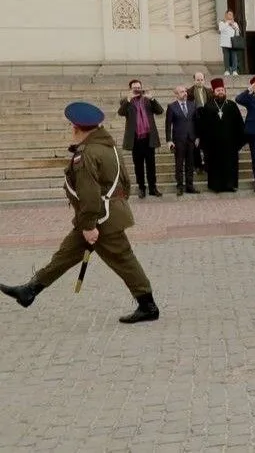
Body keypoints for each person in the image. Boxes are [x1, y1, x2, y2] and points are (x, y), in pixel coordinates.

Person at [1, 102, 160, 324]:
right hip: (103, 215)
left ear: (76, 128)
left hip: (98, 219)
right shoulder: (109, 146)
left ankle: (148, 305)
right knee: (66, 254)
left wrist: (89, 226)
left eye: (71, 128)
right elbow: (125, 182)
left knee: (123, 259)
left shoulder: (86, 154)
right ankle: (30, 290)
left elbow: (89, 193)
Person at [118, 78, 164, 198]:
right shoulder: (125, 101)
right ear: (130, 89)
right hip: (136, 139)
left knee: (151, 165)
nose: (137, 90)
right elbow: (121, 113)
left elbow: (160, 111)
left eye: (139, 87)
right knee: (138, 166)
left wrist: (152, 99)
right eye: (135, 88)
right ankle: (141, 188)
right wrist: (128, 99)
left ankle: (153, 188)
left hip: (149, 138)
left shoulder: (148, 100)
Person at [196, 78, 244, 192]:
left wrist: (240, 140)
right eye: (218, 90)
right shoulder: (208, 107)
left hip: (230, 144)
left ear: (225, 91)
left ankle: (230, 185)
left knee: (230, 164)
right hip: (214, 145)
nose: (221, 92)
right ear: (214, 92)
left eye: (222, 90)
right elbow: (203, 126)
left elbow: (239, 124)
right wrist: (204, 142)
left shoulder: (232, 105)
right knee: (215, 165)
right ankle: (216, 186)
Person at [164, 85, 200, 196]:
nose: (184, 93)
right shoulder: (171, 107)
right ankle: (179, 187)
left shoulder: (192, 105)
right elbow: (168, 125)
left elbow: (196, 122)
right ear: (176, 94)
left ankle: (190, 186)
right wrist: (169, 140)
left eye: (185, 91)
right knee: (179, 164)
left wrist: (198, 137)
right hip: (178, 140)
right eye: (181, 92)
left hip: (191, 139)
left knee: (190, 164)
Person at [188, 72, 211, 172]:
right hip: (194, 120)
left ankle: (208, 164)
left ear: (204, 80)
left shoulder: (209, 91)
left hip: (207, 120)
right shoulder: (189, 92)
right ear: (194, 80)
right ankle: (198, 165)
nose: (200, 81)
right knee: (196, 145)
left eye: (202, 80)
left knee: (207, 144)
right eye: (198, 80)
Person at [218, 10, 241, 76]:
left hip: (233, 43)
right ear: (226, 15)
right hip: (225, 43)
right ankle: (227, 70)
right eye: (229, 14)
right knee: (226, 57)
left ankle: (234, 70)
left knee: (234, 56)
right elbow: (221, 29)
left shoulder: (235, 23)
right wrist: (227, 23)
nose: (230, 16)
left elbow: (237, 33)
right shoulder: (222, 23)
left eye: (231, 14)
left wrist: (233, 26)